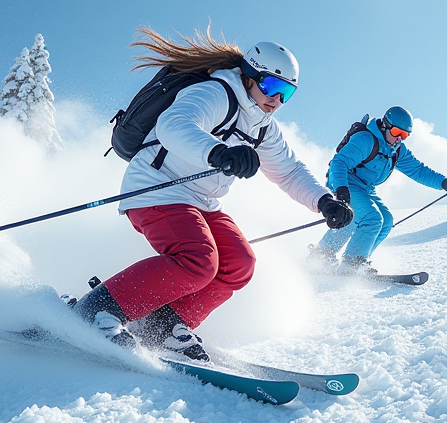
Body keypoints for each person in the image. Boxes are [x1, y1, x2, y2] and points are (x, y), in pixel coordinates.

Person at [71, 27, 354, 360]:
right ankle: (97, 312)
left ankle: (164, 326)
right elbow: (174, 125)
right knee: (198, 260)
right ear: (249, 76)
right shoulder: (217, 93)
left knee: (239, 263)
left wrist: (324, 201)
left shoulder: (263, 126)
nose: (277, 101)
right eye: (272, 86)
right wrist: (219, 153)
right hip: (157, 187)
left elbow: (289, 171)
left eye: (286, 94)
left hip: (201, 201)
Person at [308, 106, 447, 275]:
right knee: (371, 218)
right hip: (345, 182)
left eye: (404, 135)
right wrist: (341, 189)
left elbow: (418, 170)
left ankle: (344, 257)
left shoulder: (397, 151)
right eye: (396, 132)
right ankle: (350, 263)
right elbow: (339, 162)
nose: (398, 139)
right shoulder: (366, 140)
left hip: (366, 188)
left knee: (386, 221)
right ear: (385, 126)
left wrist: (444, 183)